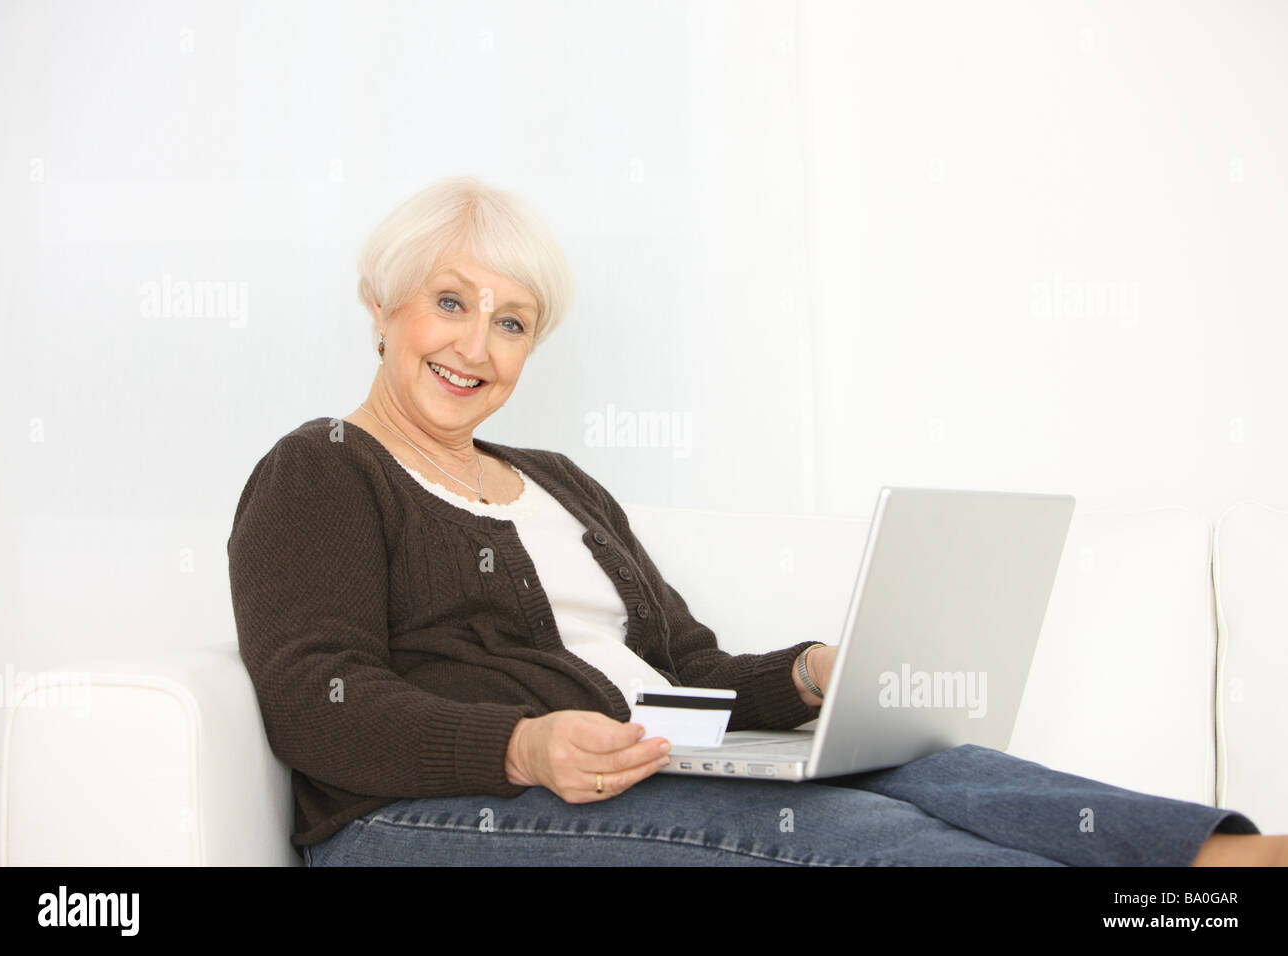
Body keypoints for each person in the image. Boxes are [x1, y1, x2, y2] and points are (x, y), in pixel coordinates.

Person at [227, 175, 1283, 867]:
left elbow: (686, 666)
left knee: (926, 769)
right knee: (864, 831)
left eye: (512, 322)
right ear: (381, 302)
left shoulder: (557, 481)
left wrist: (812, 674)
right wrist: (522, 743)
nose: (477, 345)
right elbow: (318, 700)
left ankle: (1217, 861)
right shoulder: (322, 470)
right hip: (421, 817)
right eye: (449, 302)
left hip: (640, 757)